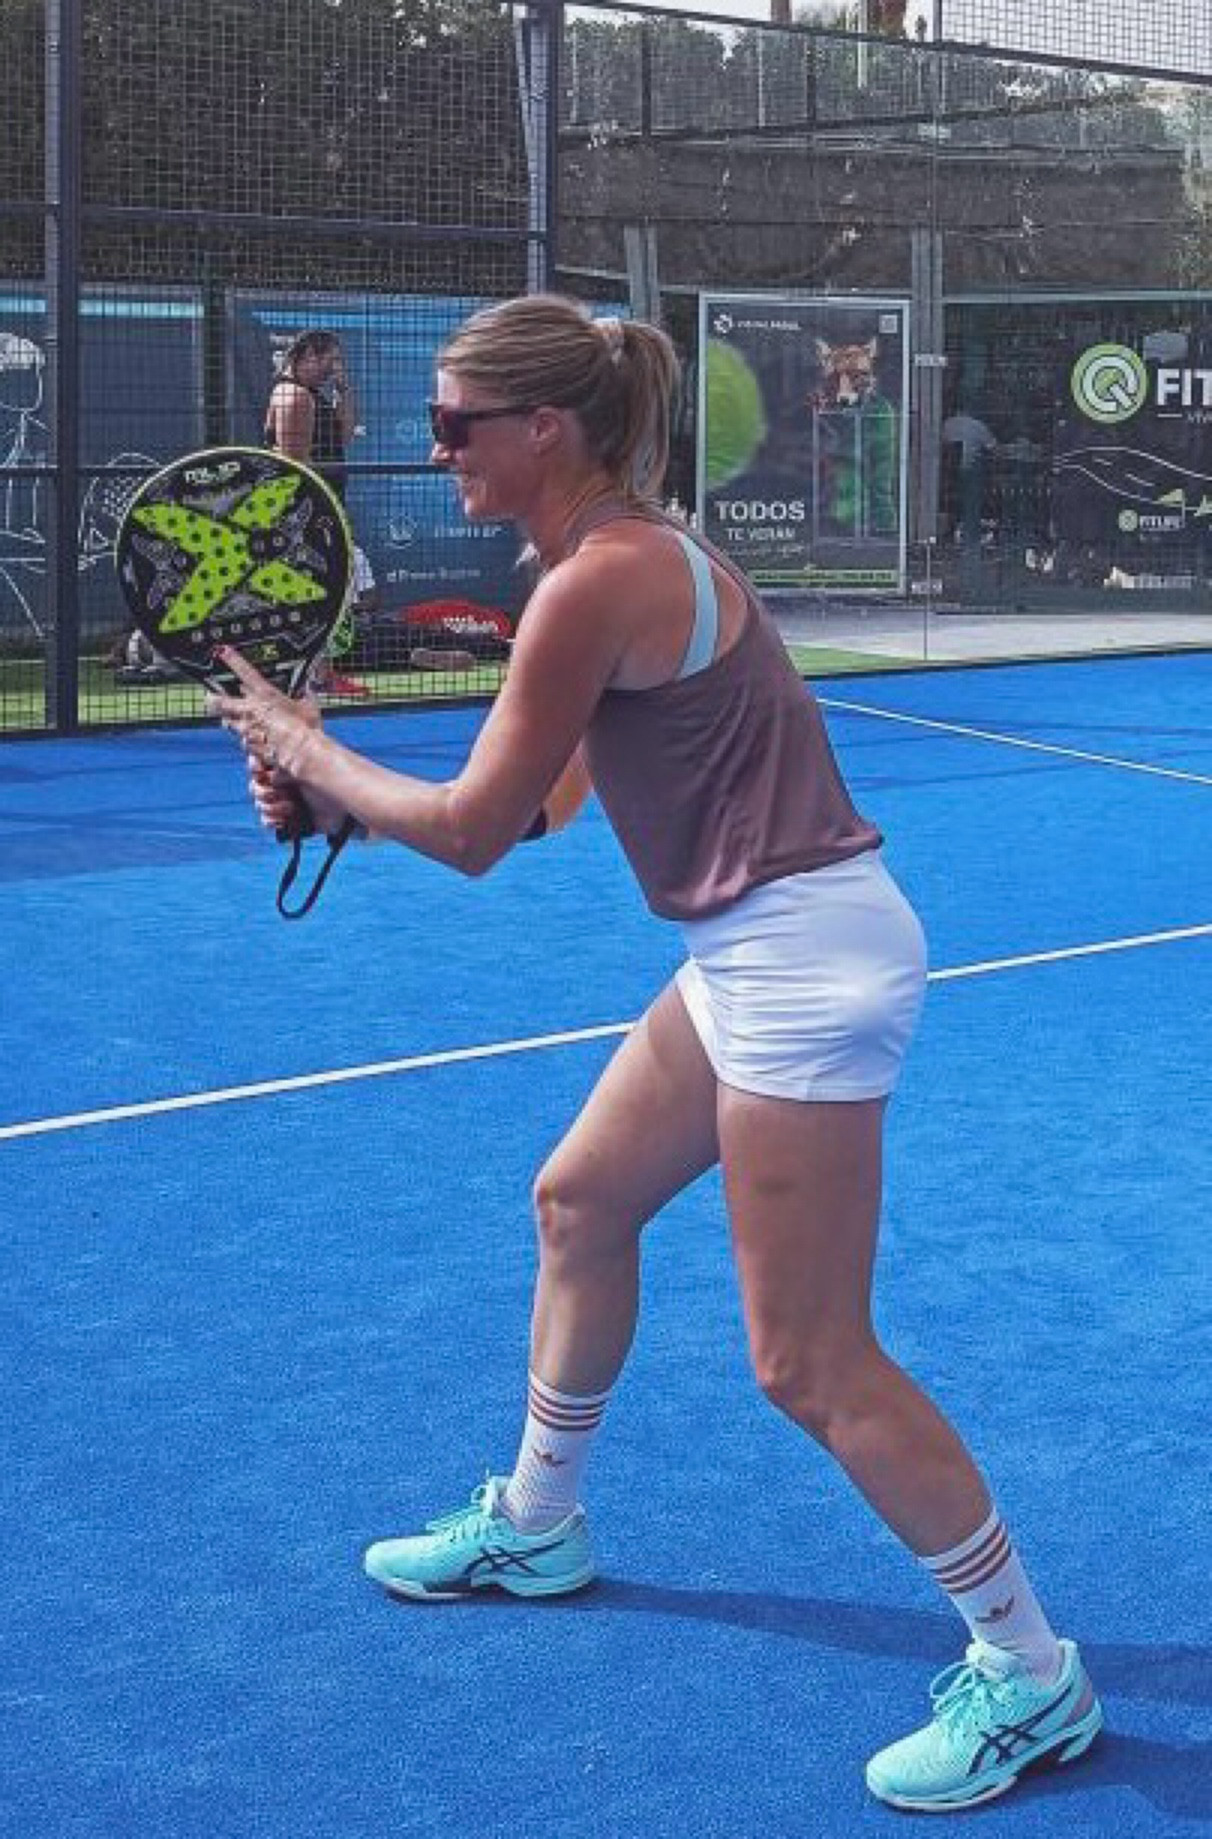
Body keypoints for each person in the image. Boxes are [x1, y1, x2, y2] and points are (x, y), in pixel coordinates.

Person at [214, 294, 1102, 1814]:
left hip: (800, 965)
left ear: (544, 428)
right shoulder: (603, 566)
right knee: (580, 1201)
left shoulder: (601, 579)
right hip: (756, 949)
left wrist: (311, 751)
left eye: (455, 425)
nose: (438, 450)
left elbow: (474, 833)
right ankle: (537, 1521)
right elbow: (545, 804)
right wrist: (341, 797)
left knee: (808, 1359)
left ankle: (1030, 1669)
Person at [264, 329, 370, 696]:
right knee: (313, 592)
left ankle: (318, 675)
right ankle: (311, 676)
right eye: (329, 360)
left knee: (323, 591)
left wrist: (343, 389)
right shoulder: (294, 395)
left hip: (320, 509)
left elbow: (344, 436)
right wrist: (317, 517)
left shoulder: (313, 395)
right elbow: (295, 464)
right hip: (307, 514)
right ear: (307, 354)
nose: (333, 368)